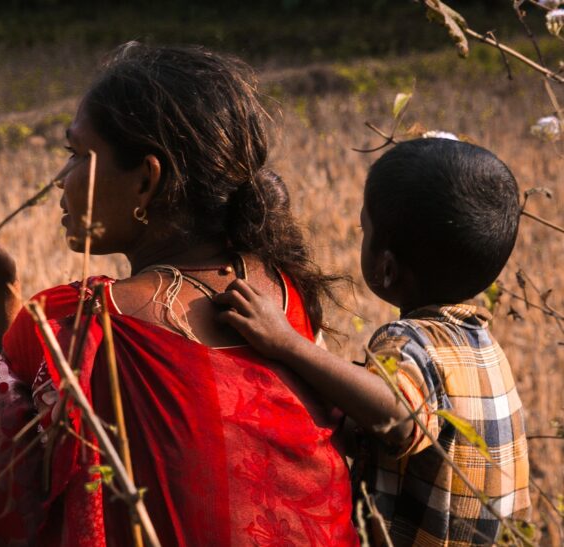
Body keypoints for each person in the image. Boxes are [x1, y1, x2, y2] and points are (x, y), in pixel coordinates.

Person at [0, 43, 358, 546]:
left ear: (146, 182)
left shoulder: (84, 318)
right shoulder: (281, 293)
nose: (61, 178)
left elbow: (1, 424)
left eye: (77, 155)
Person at [214, 138, 531, 545]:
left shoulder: (408, 342)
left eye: (365, 229)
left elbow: (400, 417)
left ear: (386, 268)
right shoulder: (483, 347)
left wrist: (287, 342)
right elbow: (385, 430)